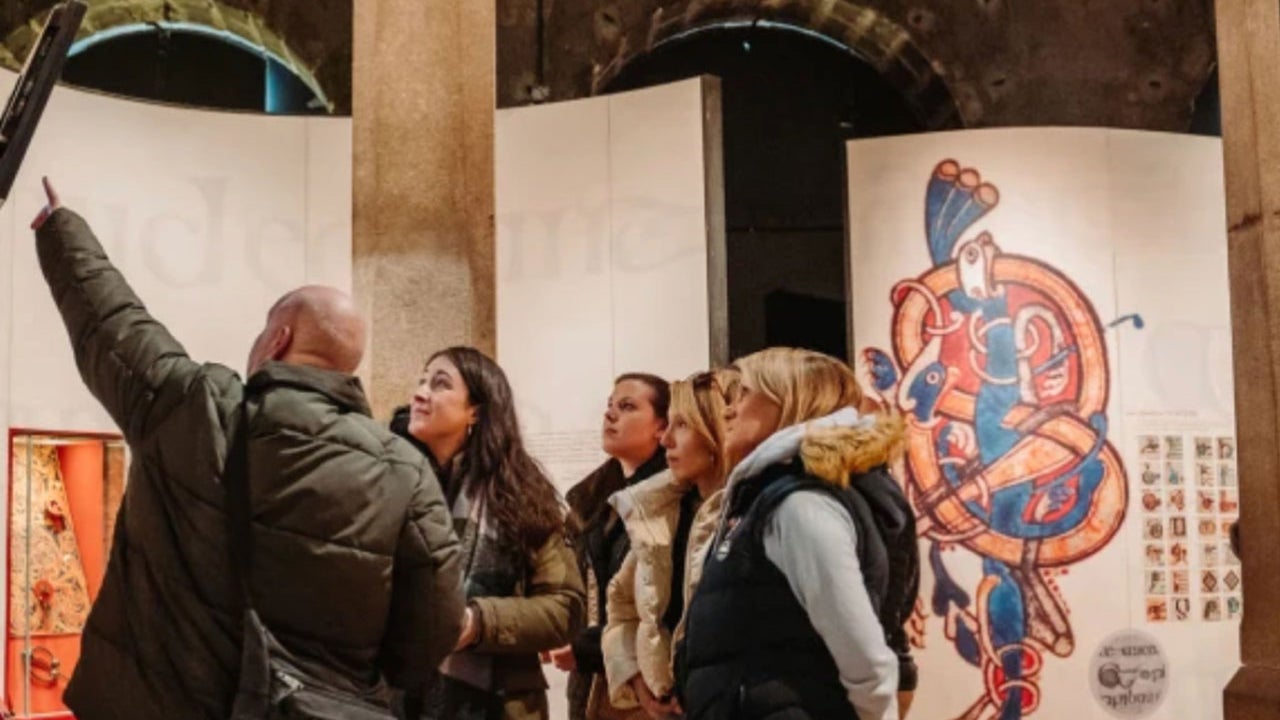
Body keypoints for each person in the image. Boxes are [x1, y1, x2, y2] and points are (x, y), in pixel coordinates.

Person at [29, 179, 465, 719]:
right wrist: (358, 682)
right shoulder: (404, 471)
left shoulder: (195, 407)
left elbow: (112, 324)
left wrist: (59, 227)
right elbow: (438, 622)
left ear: (278, 338)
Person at [678, 347, 912, 720]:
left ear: (791, 400)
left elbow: (866, 657)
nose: (728, 409)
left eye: (744, 393)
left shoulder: (799, 505)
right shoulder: (768, 497)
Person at [391, 346, 586, 720]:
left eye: (440, 383)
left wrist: (476, 623)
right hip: (399, 700)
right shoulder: (391, 483)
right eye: (421, 381)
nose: (419, 392)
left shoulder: (519, 495)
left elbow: (565, 608)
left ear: (475, 411)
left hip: (495, 706)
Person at [602, 370, 735, 719]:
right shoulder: (661, 512)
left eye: (683, 426)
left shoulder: (750, 514)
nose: (666, 441)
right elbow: (622, 606)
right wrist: (641, 684)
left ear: (715, 432)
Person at [550, 373, 671, 719]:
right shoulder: (592, 503)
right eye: (610, 406)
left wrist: (588, 648)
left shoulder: (667, 502)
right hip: (593, 681)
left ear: (661, 426)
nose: (610, 415)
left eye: (627, 406)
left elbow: (659, 607)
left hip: (644, 686)